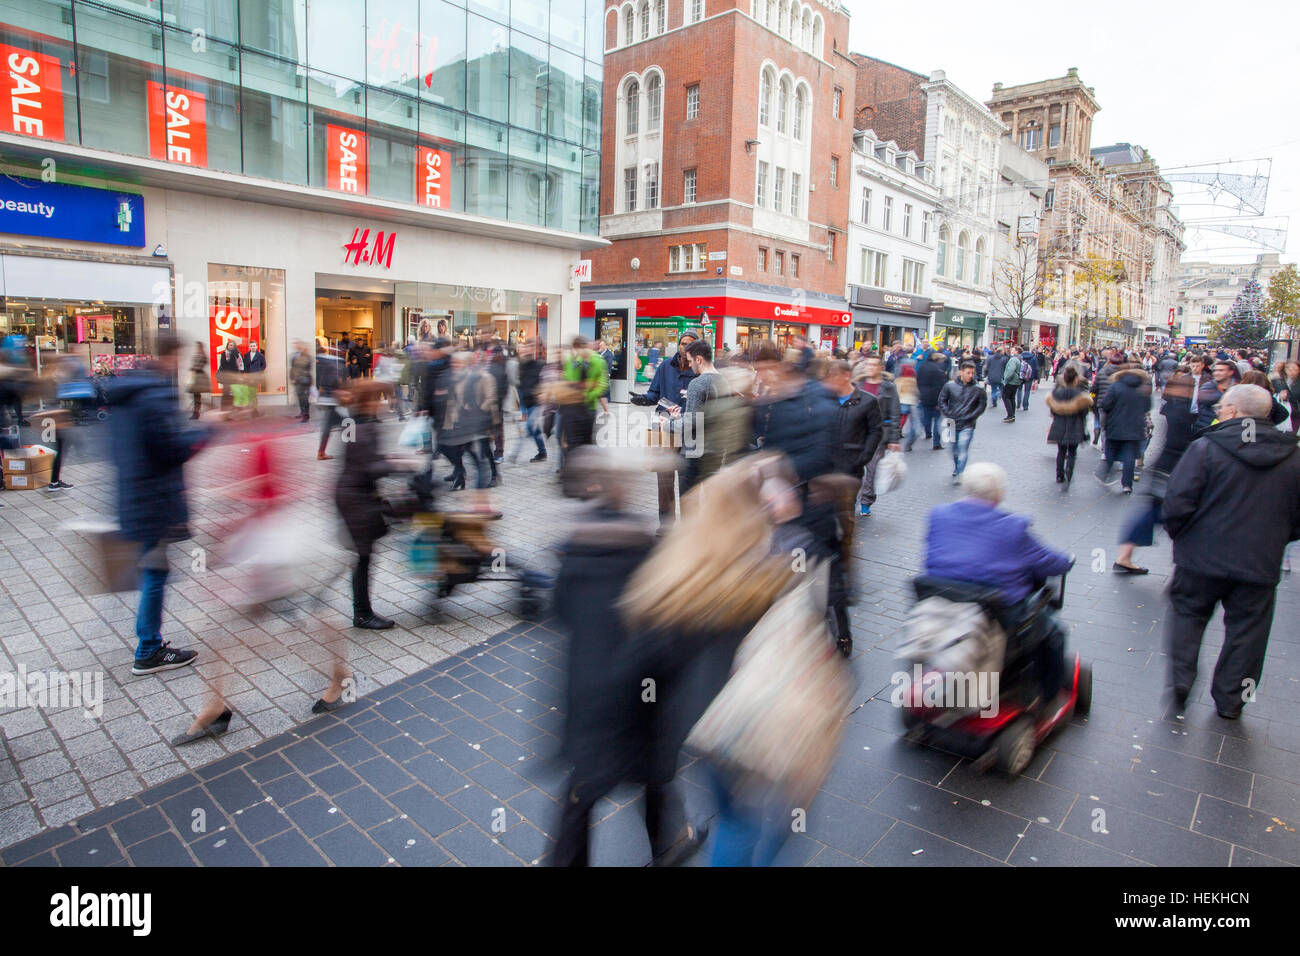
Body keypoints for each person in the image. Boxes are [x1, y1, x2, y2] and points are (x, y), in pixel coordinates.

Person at [1163, 384, 1300, 718]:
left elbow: (1177, 502)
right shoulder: (1293, 457)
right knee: (1248, 633)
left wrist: (1183, 537)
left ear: (1235, 411)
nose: (1219, 411)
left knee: (1188, 615)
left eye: (1223, 407)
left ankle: (1181, 680)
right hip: (1259, 563)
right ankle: (1231, 700)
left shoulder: (1206, 448)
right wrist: (1277, 538)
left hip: (1200, 558)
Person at [923, 463, 1074, 703]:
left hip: (943, 603)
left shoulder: (938, 515)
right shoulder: (1013, 526)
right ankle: (1050, 694)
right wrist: (1067, 561)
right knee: (1054, 633)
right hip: (997, 615)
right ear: (999, 494)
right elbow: (1052, 563)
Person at [106, 335, 210, 676]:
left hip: (134, 495)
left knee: (153, 568)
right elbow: (173, 449)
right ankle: (148, 649)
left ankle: (148, 643)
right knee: (155, 572)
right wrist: (210, 431)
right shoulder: (154, 395)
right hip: (153, 499)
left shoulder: (127, 392)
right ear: (172, 356)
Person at [336, 380, 410, 629]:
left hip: (352, 495)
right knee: (364, 555)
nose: (381, 403)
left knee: (364, 555)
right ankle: (362, 614)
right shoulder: (365, 428)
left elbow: (358, 459)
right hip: (356, 499)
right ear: (369, 401)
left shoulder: (354, 423)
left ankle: (362, 612)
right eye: (378, 398)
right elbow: (369, 468)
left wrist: (388, 460)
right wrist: (396, 465)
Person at [1112, 371, 1197, 575]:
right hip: (1173, 469)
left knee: (1153, 514)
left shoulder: (1173, 407)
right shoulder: (1181, 410)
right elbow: (1179, 443)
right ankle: (1185, 565)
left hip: (1167, 467)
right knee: (1173, 515)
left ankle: (1125, 557)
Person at [632, 329, 699, 528]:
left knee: (688, 479)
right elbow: (654, 393)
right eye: (682, 343)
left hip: (691, 428)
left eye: (690, 343)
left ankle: (688, 528)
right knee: (664, 477)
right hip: (663, 424)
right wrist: (643, 399)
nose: (685, 347)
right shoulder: (665, 367)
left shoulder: (700, 369)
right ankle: (666, 525)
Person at [853, 354, 900, 514]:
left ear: (881, 367)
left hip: (878, 434)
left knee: (872, 469)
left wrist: (894, 438)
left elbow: (894, 413)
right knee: (854, 467)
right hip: (857, 432)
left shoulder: (889, 387)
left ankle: (866, 500)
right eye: (868, 365)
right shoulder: (857, 384)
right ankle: (852, 497)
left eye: (874, 365)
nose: (870, 368)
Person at [1097, 364, 1151, 494]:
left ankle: (1106, 473)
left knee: (1110, 449)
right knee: (1129, 456)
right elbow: (1147, 406)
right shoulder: (1142, 389)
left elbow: (1105, 404)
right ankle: (1127, 484)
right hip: (1135, 426)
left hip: (1115, 423)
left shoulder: (1116, 386)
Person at [936, 361, 989, 482]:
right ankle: (957, 467)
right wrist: (948, 413)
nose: (970, 375)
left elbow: (981, 406)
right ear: (961, 372)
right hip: (952, 422)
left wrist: (971, 416)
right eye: (968, 373)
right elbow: (942, 400)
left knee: (963, 448)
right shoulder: (950, 386)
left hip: (968, 424)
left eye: (972, 373)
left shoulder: (978, 389)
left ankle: (960, 473)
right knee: (953, 449)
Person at [1045, 365, 1092, 487]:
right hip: (1075, 424)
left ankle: (1059, 474)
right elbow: (1084, 412)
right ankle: (1069, 470)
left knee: (1061, 451)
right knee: (1072, 451)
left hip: (1060, 423)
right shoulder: (1080, 395)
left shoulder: (1057, 393)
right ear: (1075, 379)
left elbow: (1053, 411)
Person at [517, 340, 548, 462]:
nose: (526, 349)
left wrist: (541, 393)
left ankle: (541, 450)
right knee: (535, 429)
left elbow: (543, 381)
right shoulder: (522, 365)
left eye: (530, 347)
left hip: (536, 402)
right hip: (527, 401)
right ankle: (542, 452)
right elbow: (520, 384)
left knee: (530, 425)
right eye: (525, 347)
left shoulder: (539, 364)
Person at [315, 343, 347, 460]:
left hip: (326, 399)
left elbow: (318, 381)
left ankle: (321, 451)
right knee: (347, 422)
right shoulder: (335, 363)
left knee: (333, 424)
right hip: (332, 399)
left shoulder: (321, 362)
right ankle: (351, 449)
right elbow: (336, 380)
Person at [915, 350, 948, 449]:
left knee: (927, 416)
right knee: (937, 420)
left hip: (924, 395)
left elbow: (918, 380)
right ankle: (936, 443)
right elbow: (940, 386)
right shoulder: (937, 369)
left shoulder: (922, 366)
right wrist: (941, 400)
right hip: (935, 397)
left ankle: (927, 432)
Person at [185, 342, 211, 419]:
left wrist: (192, 370)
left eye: (198, 346)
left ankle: (196, 413)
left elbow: (197, 366)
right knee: (196, 396)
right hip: (198, 377)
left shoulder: (201, 355)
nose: (197, 348)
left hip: (198, 377)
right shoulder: (201, 355)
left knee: (196, 396)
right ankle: (196, 412)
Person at [216, 340, 243, 411]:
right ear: (227, 346)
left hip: (235, 377)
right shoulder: (224, 354)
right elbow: (223, 365)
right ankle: (225, 408)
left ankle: (234, 408)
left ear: (234, 346)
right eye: (229, 345)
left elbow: (240, 366)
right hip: (227, 377)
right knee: (226, 393)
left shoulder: (238, 354)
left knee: (234, 393)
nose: (231, 346)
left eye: (232, 345)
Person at [290, 340, 313, 423]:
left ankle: (306, 415)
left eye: (298, 345)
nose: (297, 346)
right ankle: (302, 412)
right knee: (300, 397)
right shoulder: (295, 356)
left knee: (304, 398)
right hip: (297, 380)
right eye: (296, 345)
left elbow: (307, 367)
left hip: (304, 380)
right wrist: (292, 378)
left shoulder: (306, 356)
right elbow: (292, 368)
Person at [1000, 347, 1023, 422]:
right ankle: (1012, 414)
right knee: (1012, 397)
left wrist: (1005, 379)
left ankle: (1010, 415)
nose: (1011, 350)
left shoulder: (1013, 359)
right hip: (1017, 381)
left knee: (1006, 396)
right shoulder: (1019, 359)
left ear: (1016, 351)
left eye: (1013, 349)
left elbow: (1011, 370)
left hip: (1011, 381)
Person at [243, 340, 266, 416]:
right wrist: (246, 373)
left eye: (254, 346)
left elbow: (264, 365)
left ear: (256, 346)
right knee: (249, 393)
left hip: (255, 376)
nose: (252, 347)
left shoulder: (260, 356)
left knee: (254, 393)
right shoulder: (246, 355)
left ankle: (254, 409)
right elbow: (244, 365)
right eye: (251, 346)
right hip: (249, 376)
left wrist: (259, 371)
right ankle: (251, 408)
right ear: (249, 347)